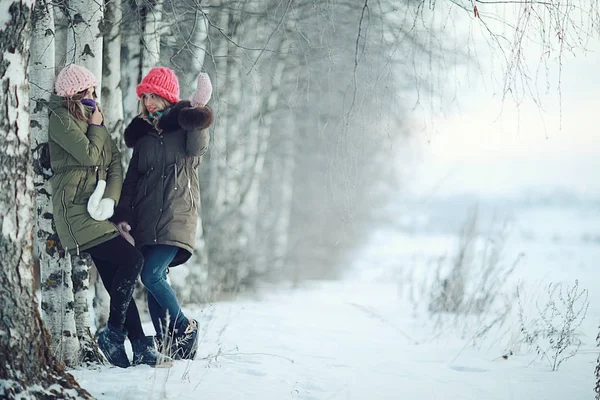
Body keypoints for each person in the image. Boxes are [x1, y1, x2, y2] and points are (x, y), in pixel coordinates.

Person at [48, 64, 172, 368]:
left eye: (93, 92)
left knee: (116, 279)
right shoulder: (61, 119)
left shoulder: (92, 118)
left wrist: (111, 201)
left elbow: (114, 162)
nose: (92, 98)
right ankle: (114, 332)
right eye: (86, 93)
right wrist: (98, 128)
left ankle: (140, 346)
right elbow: (90, 155)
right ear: (71, 95)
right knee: (132, 261)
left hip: (98, 211)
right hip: (75, 211)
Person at [112, 67, 213, 360]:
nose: (150, 102)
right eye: (146, 97)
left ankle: (186, 327)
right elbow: (131, 181)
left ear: (168, 98)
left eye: (155, 96)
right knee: (157, 280)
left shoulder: (183, 129)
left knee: (152, 274)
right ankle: (168, 343)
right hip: (146, 219)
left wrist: (198, 111)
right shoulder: (142, 138)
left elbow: (198, 148)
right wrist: (123, 216)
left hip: (176, 214)